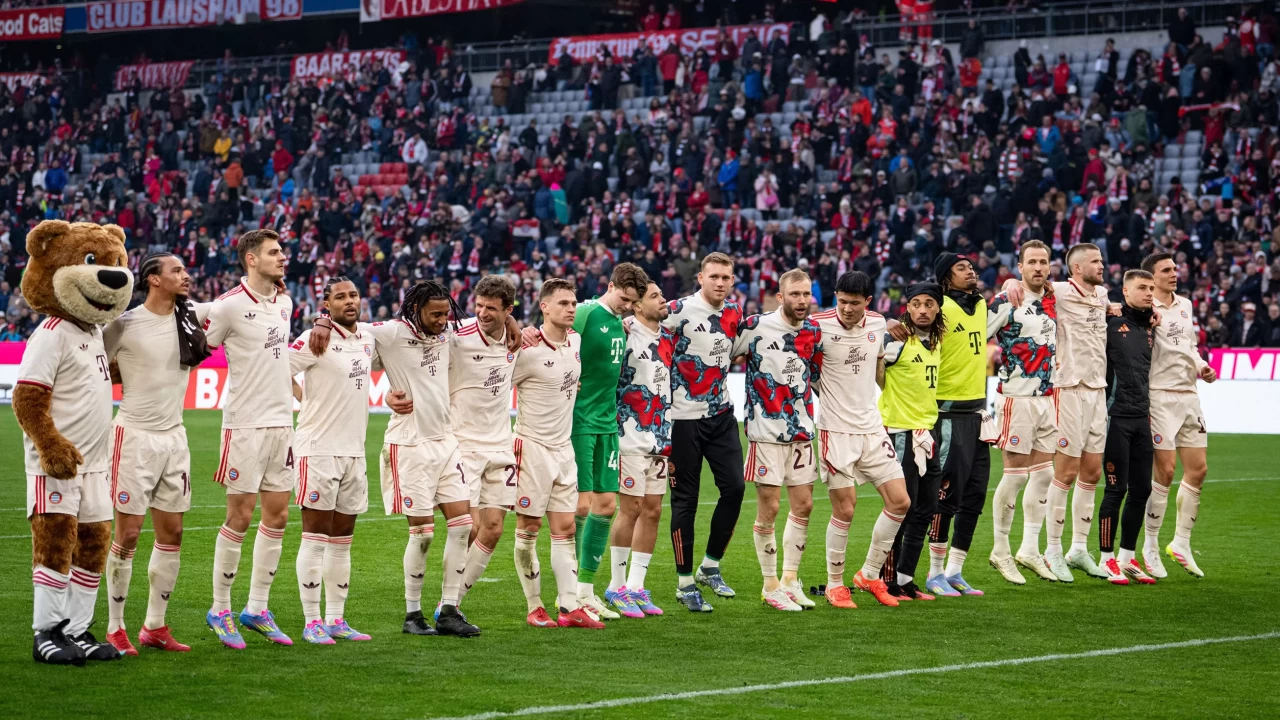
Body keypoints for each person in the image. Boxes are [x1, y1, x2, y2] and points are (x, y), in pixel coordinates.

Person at [103, 254, 211, 655]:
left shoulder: (190, 318)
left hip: (175, 438)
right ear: (153, 279)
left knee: (173, 534)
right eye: (176, 271)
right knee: (128, 534)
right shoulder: (124, 324)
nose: (186, 275)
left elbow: (238, 303)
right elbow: (95, 367)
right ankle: (115, 627)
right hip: (134, 437)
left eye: (185, 269)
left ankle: (154, 626)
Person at [366, 281, 480, 638]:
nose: (443, 321)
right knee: (423, 534)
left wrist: (509, 322)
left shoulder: (447, 333)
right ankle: (412, 614)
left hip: (445, 442)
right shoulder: (390, 333)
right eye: (435, 314)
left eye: (446, 313)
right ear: (416, 310)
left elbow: (485, 322)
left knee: (463, 526)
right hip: (409, 445)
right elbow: (349, 341)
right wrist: (324, 320)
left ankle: (449, 611)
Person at [203, 229, 296, 649]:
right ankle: (220, 608)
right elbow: (198, 350)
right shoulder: (228, 306)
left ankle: (257, 608)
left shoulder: (285, 302)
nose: (282, 257)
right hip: (244, 424)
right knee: (239, 517)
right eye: (274, 252)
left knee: (278, 516)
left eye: (282, 251)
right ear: (251, 259)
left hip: (282, 423)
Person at [1003, 243, 1112, 583]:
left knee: (1092, 472)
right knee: (1065, 472)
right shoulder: (1059, 291)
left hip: (1097, 389)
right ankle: (1051, 549)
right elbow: (1026, 284)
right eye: (1095, 261)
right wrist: (1010, 281)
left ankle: (1078, 548)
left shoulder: (1103, 295)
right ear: (1077, 268)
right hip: (1067, 388)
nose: (1102, 265)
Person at [811, 271, 912, 610]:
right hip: (835, 431)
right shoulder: (818, 325)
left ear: (868, 302)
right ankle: (834, 584)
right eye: (842, 302)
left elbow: (879, 365)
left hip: (871, 428)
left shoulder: (878, 323)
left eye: (854, 303)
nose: (847, 309)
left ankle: (869, 574)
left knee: (900, 502)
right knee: (846, 508)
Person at [511, 279, 603, 629]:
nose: (571, 308)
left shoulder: (575, 341)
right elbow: (497, 386)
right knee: (529, 527)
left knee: (565, 527)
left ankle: (569, 607)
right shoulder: (528, 349)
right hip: (532, 448)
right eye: (563, 303)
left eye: (574, 303)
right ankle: (534, 606)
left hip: (564, 449)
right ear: (544, 307)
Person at [287, 277, 374, 644]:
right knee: (315, 537)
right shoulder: (314, 338)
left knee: (342, 540)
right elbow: (275, 366)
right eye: (340, 297)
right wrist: (303, 397)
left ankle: (336, 619)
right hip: (318, 449)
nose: (349, 301)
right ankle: (312, 622)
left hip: (355, 451)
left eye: (353, 295)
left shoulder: (368, 338)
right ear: (326, 304)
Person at [735, 269, 824, 612]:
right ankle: (769, 584)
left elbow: (814, 376)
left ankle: (790, 580)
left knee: (804, 505)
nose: (802, 301)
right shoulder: (756, 326)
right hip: (766, 432)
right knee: (769, 508)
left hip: (801, 431)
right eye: (795, 294)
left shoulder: (813, 331)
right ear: (780, 297)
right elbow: (725, 355)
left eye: (806, 294)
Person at [663, 252, 745, 612]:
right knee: (686, 501)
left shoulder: (735, 313)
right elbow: (641, 330)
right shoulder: (676, 310)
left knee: (735, 488)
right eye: (714, 276)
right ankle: (684, 584)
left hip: (722, 414)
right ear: (701, 278)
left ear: (732, 280)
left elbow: (738, 349)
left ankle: (710, 566)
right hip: (683, 419)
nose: (720, 283)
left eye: (726, 277)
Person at [568, 264, 647, 620]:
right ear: (611, 286)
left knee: (605, 504)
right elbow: (554, 340)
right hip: (580, 420)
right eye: (624, 298)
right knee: (581, 505)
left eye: (633, 303)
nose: (628, 306)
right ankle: (570, 592)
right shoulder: (585, 313)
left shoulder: (619, 321)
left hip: (608, 423)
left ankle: (586, 590)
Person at [984, 241, 1059, 585]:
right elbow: (978, 337)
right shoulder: (1006, 300)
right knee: (1015, 476)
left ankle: (1029, 550)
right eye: (1032, 262)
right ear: (1020, 267)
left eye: (1043, 261)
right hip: (1016, 397)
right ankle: (1000, 550)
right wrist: (1007, 285)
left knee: (1043, 475)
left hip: (1047, 397)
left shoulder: (1053, 297)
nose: (1038, 267)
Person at [1141, 252, 1216, 578]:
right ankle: (1150, 545)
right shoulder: (1144, 307)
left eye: (1175, 268)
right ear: (1151, 276)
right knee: (1166, 471)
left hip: (1189, 395)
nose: (1174, 273)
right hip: (1159, 396)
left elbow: (1189, 346)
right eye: (1166, 270)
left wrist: (1201, 366)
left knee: (1198, 470)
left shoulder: (1184, 304)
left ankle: (1181, 543)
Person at [922, 252, 991, 597]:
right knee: (946, 495)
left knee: (975, 495)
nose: (970, 271)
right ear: (946, 277)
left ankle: (955, 570)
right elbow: (911, 329)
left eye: (971, 267)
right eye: (961, 268)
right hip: (948, 412)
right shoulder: (940, 308)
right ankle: (934, 573)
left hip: (978, 412)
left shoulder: (981, 305)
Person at [604, 281, 673, 618]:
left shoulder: (668, 338)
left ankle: (636, 586)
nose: (663, 300)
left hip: (660, 437)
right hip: (628, 436)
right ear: (636, 305)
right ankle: (616, 587)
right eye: (655, 296)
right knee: (630, 507)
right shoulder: (624, 334)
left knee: (653, 510)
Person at [452, 276, 523, 606]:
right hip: (462, 445)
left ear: (508, 309)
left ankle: (451, 603)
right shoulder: (456, 335)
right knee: (468, 526)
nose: (482, 313)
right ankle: (448, 602)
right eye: (479, 305)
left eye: (491, 308)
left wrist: (512, 324)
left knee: (493, 528)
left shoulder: (517, 341)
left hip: (500, 446)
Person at [876, 282, 947, 603]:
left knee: (925, 510)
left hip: (927, 433)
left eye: (929, 304)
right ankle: (887, 580)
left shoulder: (937, 342)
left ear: (938, 308)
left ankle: (906, 579)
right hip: (900, 433)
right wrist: (885, 326)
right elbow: (878, 372)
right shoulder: (896, 339)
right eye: (916, 304)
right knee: (901, 509)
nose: (922, 310)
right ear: (908, 308)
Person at [1097, 270, 1159, 585]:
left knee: (1142, 489)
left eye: (1151, 288)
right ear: (1125, 291)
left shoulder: (1150, 326)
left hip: (1141, 417)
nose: (1149, 293)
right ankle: (1105, 558)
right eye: (1142, 288)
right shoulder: (1109, 323)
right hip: (1115, 416)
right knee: (1115, 489)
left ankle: (1127, 557)